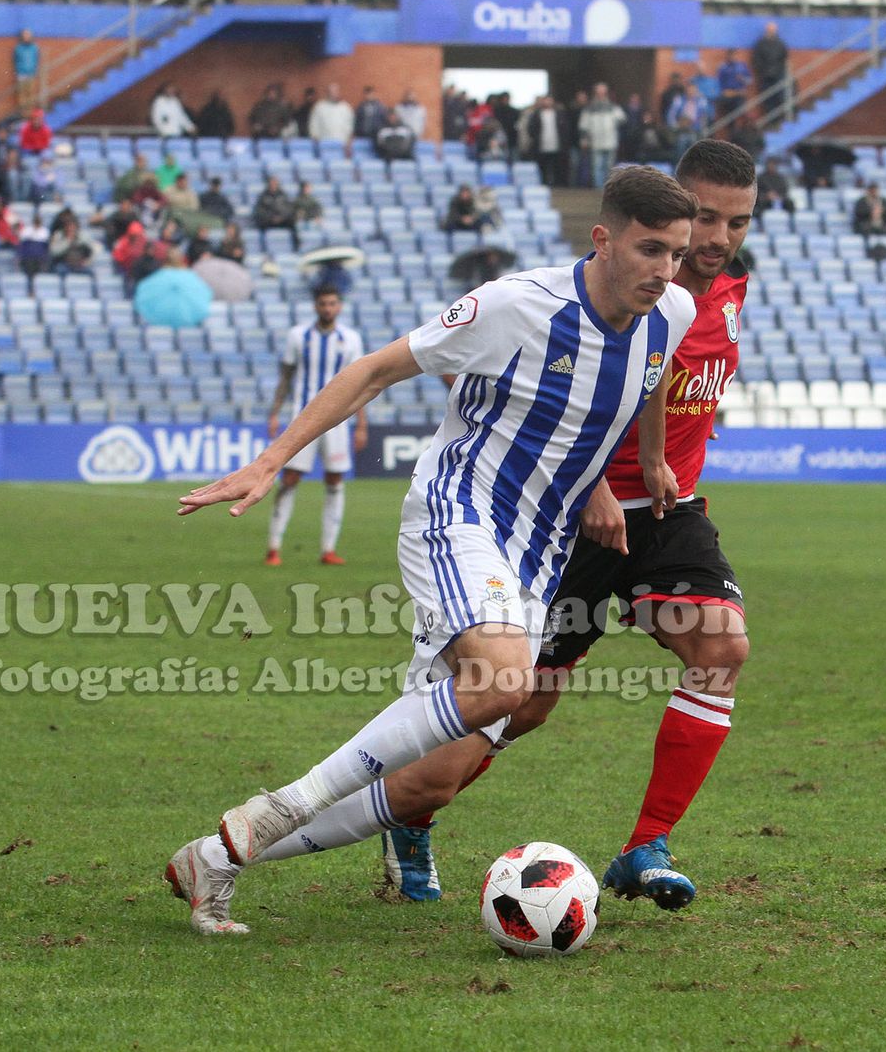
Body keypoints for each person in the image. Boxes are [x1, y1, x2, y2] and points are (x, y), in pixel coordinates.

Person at [163, 164, 698, 934]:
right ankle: (280, 807)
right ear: (603, 239)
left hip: (538, 554)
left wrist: (644, 460)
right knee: (504, 680)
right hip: (459, 513)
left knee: (429, 783)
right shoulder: (517, 305)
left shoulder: (671, 309)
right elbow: (374, 369)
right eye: (651, 249)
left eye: (676, 253)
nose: (666, 269)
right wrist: (269, 460)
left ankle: (214, 859)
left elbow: (653, 371)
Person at [375, 141, 757, 908]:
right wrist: (591, 481)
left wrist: (656, 456)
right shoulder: (602, 287)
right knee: (521, 705)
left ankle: (647, 844)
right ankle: (409, 812)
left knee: (721, 644)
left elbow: (657, 366)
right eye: (706, 218)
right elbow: (535, 384)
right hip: (565, 520)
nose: (718, 238)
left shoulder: (720, 290)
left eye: (737, 222)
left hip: (663, 516)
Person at [261, 284, 368, 567]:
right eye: (323, 304)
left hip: (338, 419)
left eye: (332, 303)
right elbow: (286, 377)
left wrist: (361, 425)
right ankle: (273, 547)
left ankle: (328, 549)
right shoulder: (298, 336)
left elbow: (362, 384)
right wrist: (274, 413)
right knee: (290, 478)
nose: (328, 308)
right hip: (302, 417)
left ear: (339, 306)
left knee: (334, 480)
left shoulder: (351, 339)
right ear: (316, 306)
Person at [135, 248, 212, 327]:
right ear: (182, 260)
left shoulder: (153, 280)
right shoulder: (193, 279)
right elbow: (205, 295)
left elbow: (142, 297)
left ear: (165, 260)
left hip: (159, 325)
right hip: (187, 325)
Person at [579, 83, 626, 189]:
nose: (600, 95)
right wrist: (584, 140)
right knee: (597, 166)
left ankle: (608, 188)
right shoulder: (589, 108)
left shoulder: (613, 107)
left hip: (610, 141)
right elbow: (583, 126)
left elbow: (622, 119)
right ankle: (598, 189)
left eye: (603, 92)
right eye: (598, 92)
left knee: (609, 167)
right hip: (595, 142)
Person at [752, 21, 789, 116]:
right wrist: (762, 71)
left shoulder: (780, 43)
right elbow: (756, 59)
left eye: (773, 30)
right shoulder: (760, 43)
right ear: (766, 30)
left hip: (778, 75)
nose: (772, 31)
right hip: (765, 75)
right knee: (767, 98)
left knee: (779, 96)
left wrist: (779, 70)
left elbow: (784, 58)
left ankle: (779, 118)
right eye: (770, 30)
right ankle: (769, 119)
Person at [527, 95, 565, 187]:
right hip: (541, 146)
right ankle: (543, 183)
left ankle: (556, 184)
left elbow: (564, 129)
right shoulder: (536, 114)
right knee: (542, 167)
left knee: (556, 167)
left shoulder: (559, 114)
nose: (548, 103)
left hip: (556, 145)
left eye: (550, 100)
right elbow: (531, 128)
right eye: (546, 100)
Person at [716, 50, 752, 124]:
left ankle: (747, 124)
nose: (733, 57)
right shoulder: (723, 67)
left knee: (741, 111)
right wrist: (724, 92)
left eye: (734, 55)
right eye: (731, 56)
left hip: (740, 94)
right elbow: (719, 82)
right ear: (728, 56)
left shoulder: (742, 66)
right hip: (728, 94)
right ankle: (731, 126)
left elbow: (750, 81)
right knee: (727, 111)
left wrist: (742, 79)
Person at [14, 29, 40, 115]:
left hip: (31, 73)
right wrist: (18, 70)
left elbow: (36, 59)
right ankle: (23, 113)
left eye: (28, 35)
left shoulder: (34, 48)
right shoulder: (18, 48)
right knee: (22, 94)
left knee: (31, 93)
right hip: (21, 73)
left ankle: (30, 112)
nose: (26, 37)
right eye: (25, 35)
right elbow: (15, 60)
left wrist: (35, 70)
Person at [17, 209, 51, 276]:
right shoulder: (26, 230)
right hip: (28, 256)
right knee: (29, 263)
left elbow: (46, 246)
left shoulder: (45, 231)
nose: (37, 222)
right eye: (36, 220)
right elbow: (22, 244)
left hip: (40, 256)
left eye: (38, 221)